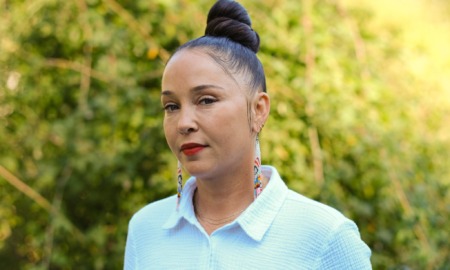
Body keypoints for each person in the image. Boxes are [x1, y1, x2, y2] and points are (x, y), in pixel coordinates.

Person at [124, 0, 372, 269]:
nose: (184, 122)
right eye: (171, 106)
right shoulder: (145, 229)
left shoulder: (325, 236)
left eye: (206, 100)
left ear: (258, 109)